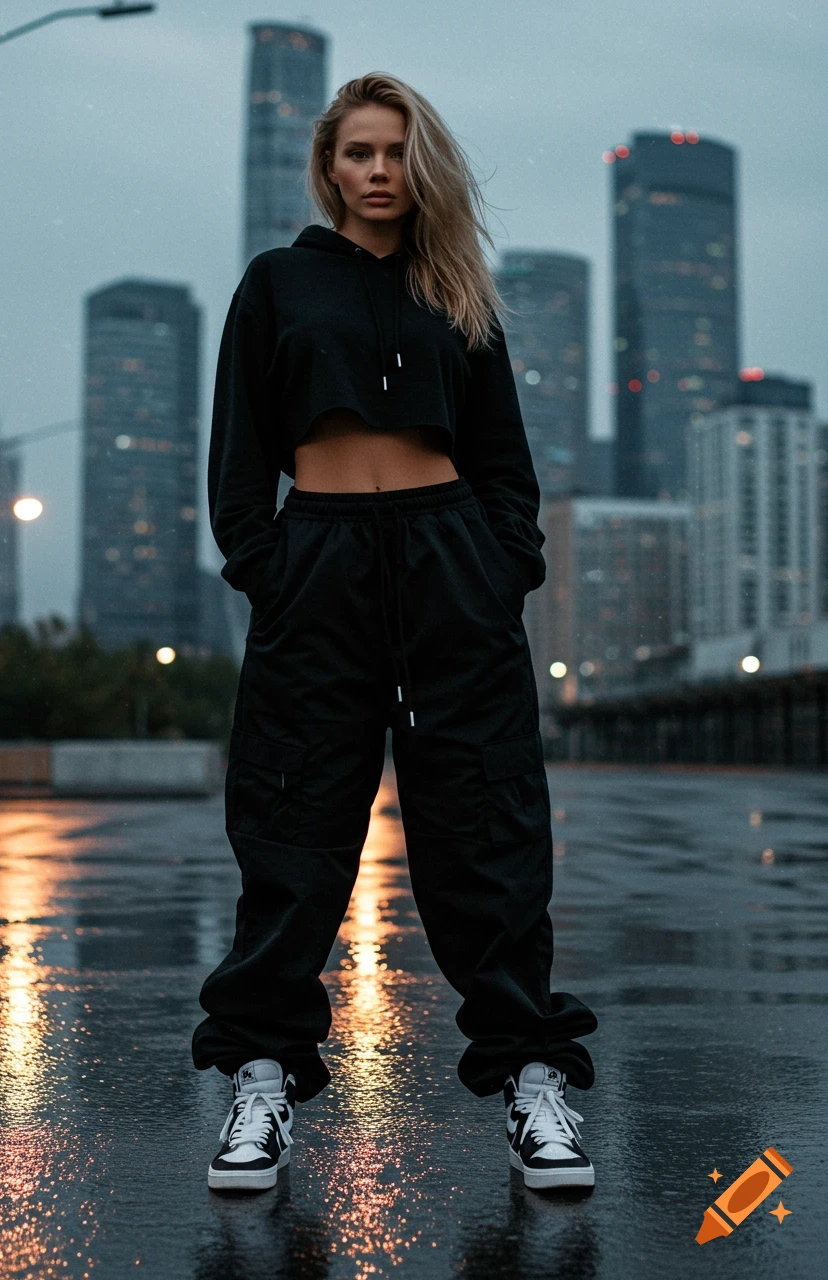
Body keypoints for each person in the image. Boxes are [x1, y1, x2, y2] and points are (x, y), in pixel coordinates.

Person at [191, 72, 598, 1194]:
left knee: (486, 821)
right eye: (358, 152)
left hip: (449, 564)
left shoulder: (457, 288)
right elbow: (238, 453)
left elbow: (503, 456)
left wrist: (499, 569)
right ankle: (261, 1079)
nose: (378, 171)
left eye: (395, 153)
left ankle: (532, 1082)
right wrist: (271, 570)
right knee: (291, 817)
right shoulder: (276, 284)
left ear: (421, 168)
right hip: (317, 565)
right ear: (327, 168)